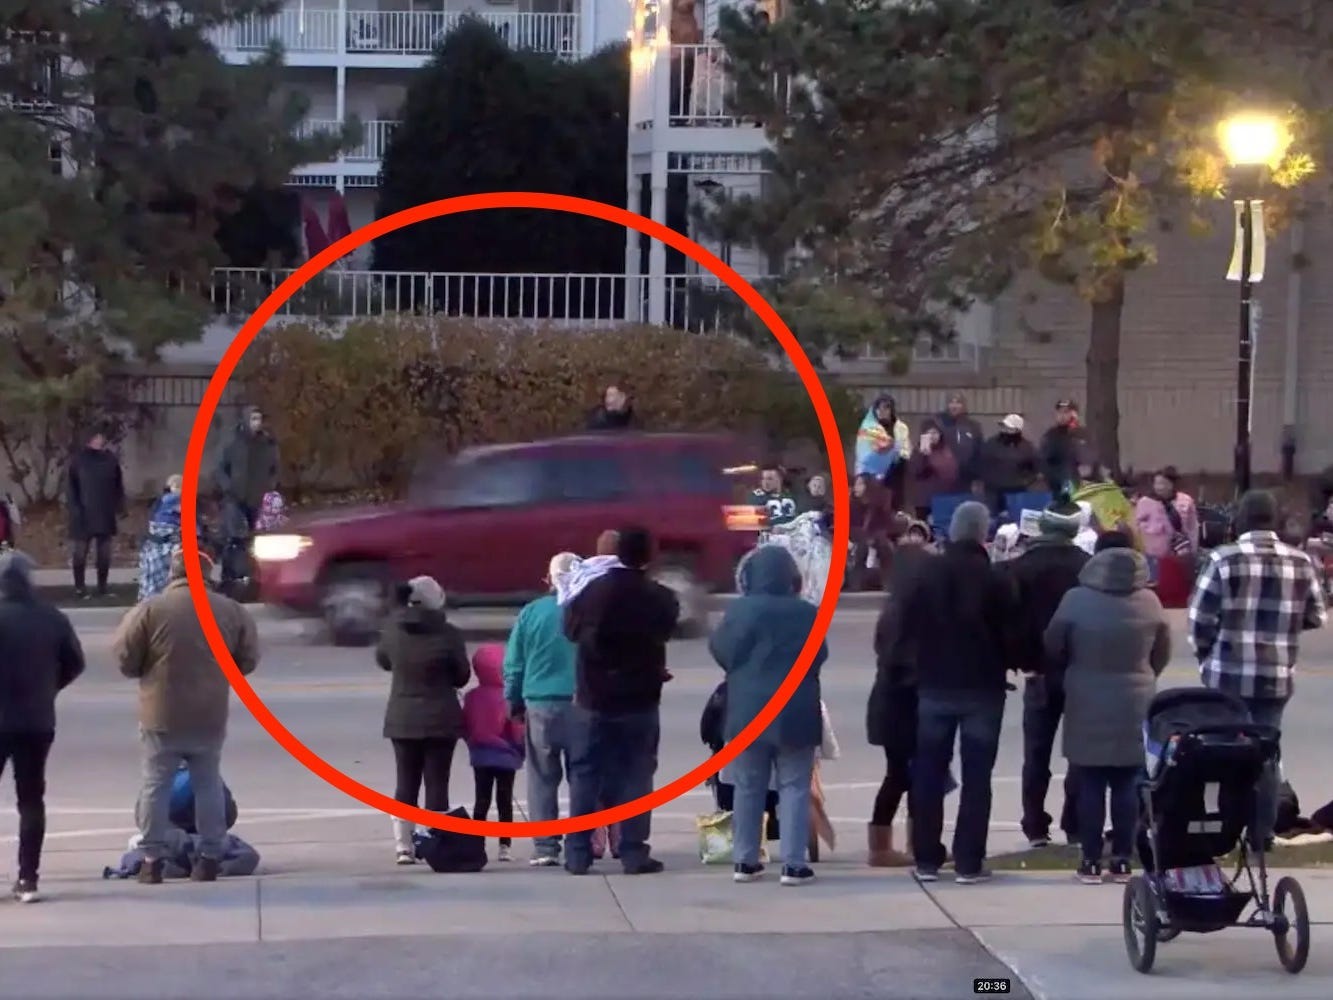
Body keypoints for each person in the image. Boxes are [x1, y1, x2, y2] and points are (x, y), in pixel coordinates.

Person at [1187, 490, 1327, 850]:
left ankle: (1226, 830)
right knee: (1266, 755)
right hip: (1276, 674)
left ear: (1240, 521)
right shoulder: (1300, 562)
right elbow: (1316, 615)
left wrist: (1206, 655)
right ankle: (1261, 833)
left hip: (1227, 673)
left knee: (1224, 753)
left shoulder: (1222, 559)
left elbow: (1200, 619)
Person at [113, 548, 259, 884]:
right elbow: (248, 658)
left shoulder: (151, 610)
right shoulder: (229, 611)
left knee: (155, 784)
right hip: (209, 712)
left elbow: (124, 656)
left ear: (172, 573)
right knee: (207, 783)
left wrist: (145, 670)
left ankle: (151, 860)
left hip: (160, 713)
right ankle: (209, 857)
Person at [894, 501, 1017, 884]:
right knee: (978, 776)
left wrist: (910, 669)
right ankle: (969, 860)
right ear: (983, 533)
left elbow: (905, 627)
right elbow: (1012, 634)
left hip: (934, 684)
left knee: (929, 772)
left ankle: (927, 857)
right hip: (982, 686)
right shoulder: (996, 579)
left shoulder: (925, 575)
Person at [1045, 532, 1171, 883]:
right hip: (1135, 698)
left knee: (1090, 780)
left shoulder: (1075, 600)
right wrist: (1144, 675)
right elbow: (1162, 651)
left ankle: (1089, 859)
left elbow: (1054, 645)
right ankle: (1121, 859)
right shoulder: (1150, 602)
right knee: (1128, 781)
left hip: (1086, 694)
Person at [562, 527, 679, 876]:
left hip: (593, 697)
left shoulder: (590, 592)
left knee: (585, 774)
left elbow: (569, 631)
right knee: (637, 775)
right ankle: (633, 850)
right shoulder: (660, 597)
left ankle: (578, 852)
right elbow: (664, 632)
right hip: (639, 698)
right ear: (649, 556)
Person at [709, 544, 827, 886]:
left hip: (747, 709)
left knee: (748, 786)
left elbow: (721, 649)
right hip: (796, 709)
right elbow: (819, 654)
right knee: (794, 786)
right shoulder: (807, 613)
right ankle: (793, 863)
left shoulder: (740, 612)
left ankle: (745, 860)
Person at [0, 549, 85, 903]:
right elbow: (74, 663)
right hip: (37, 720)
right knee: (31, 799)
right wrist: (49, 688)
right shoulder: (52, 618)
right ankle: (28, 879)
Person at [1005, 500, 1089, 848]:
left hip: (1037, 669)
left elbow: (1009, 620)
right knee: (1080, 751)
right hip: (1080, 669)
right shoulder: (1087, 568)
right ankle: (1075, 821)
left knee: (1036, 753)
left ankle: (1035, 823)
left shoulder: (1020, 568)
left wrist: (1018, 658)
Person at [375, 575, 471, 865]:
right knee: (437, 784)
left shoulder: (393, 630)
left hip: (402, 716)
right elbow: (462, 675)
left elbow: (384, 661)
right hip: (441, 718)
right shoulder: (449, 634)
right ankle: (435, 842)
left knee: (405, 782)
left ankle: (404, 846)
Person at [504, 551, 580, 866]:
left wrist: (513, 700)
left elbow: (514, 663)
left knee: (542, 777)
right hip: (581, 704)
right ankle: (581, 841)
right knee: (583, 777)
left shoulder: (532, 613)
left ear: (547, 580)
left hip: (540, 703)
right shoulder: (586, 611)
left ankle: (546, 846)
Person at [866, 525, 936, 867]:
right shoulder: (916, 613)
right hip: (906, 705)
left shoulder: (892, 610)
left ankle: (891, 842)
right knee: (909, 775)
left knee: (900, 774)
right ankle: (904, 843)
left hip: (887, 703)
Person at [464, 643, 524, 863]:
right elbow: (516, 728)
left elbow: (466, 725)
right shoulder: (508, 697)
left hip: (480, 755)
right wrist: (520, 750)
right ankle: (504, 845)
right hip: (506, 756)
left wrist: (472, 743)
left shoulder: (472, 697)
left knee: (482, 800)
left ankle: (476, 842)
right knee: (504, 800)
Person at [216, 406, 279, 583]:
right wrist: (228, 487)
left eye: (259, 418)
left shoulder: (267, 443)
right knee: (234, 537)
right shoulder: (232, 442)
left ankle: (254, 575)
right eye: (253, 419)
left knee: (256, 538)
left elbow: (274, 468)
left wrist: (269, 486)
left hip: (257, 496)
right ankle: (229, 576)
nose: (257, 423)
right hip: (234, 496)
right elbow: (221, 468)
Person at [67, 427, 125, 598]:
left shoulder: (110, 460)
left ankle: (102, 587)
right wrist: (75, 509)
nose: (98, 441)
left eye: (100, 437)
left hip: (105, 513)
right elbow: (71, 488)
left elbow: (118, 486)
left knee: (104, 554)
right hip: (83, 514)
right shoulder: (79, 461)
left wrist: (119, 506)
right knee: (80, 553)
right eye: (95, 437)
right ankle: (80, 587)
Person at [855, 394, 912, 508]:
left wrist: (894, 453)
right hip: (871, 476)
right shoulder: (869, 428)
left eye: (886, 408)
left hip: (895, 473)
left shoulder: (901, 428)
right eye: (878, 408)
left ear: (892, 410)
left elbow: (906, 450)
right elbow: (862, 451)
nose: (882, 411)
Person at [979, 414, 1040, 517]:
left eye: (1009, 428)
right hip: (993, 492)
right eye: (1004, 426)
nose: (1005, 430)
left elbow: (1034, 468)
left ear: (1017, 430)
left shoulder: (1027, 447)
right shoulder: (991, 443)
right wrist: (987, 480)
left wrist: (1025, 481)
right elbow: (982, 463)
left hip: (1016, 492)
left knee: (1015, 518)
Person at [1134, 467, 1199, 560]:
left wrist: (1193, 549)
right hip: (1154, 554)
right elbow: (1138, 527)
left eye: (1163, 483)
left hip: (1181, 552)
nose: (1159, 487)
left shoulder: (1185, 500)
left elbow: (1192, 527)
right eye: (1157, 484)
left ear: (1172, 484)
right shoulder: (1145, 502)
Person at [905, 421, 961, 522]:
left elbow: (952, 470)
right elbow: (915, 471)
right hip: (924, 500)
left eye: (935, 433)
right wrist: (923, 455)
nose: (932, 436)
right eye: (929, 433)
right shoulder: (918, 451)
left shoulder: (946, 450)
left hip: (943, 497)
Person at [848, 474, 894, 591]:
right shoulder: (850, 504)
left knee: (884, 546)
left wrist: (875, 536)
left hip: (875, 536)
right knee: (861, 547)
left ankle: (888, 583)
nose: (855, 488)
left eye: (859, 484)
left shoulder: (879, 505)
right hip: (855, 537)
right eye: (855, 484)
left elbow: (886, 524)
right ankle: (856, 584)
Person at [1038, 399, 1088, 497]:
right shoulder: (1051, 435)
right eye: (1059, 412)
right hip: (1054, 484)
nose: (1062, 416)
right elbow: (1044, 457)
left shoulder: (1081, 434)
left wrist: (1074, 429)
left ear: (1074, 414)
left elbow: (1086, 457)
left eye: (1066, 412)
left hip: (1075, 483)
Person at [935, 392, 984, 490]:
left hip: (966, 477)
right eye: (951, 402)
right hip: (943, 477)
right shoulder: (938, 424)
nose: (954, 406)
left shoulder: (973, 426)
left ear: (963, 405)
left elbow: (979, 451)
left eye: (958, 403)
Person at [668, 0, 703, 121]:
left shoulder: (692, 17)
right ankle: (674, 115)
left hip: (690, 55)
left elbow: (696, 35)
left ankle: (683, 117)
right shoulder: (673, 16)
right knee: (677, 86)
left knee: (687, 87)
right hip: (678, 56)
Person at [751, 463, 798, 535]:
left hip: (795, 534)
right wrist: (770, 529)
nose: (765, 483)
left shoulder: (793, 494)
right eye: (763, 479)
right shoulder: (757, 496)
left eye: (770, 479)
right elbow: (755, 521)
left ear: (779, 479)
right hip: (771, 537)